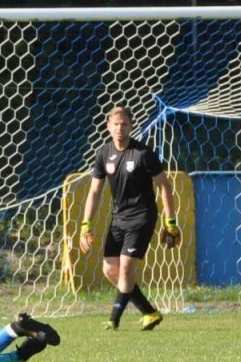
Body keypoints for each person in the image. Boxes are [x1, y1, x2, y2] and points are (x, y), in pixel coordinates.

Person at [77, 104, 180, 331]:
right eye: (116, 124)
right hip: (119, 218)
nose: (120, 128)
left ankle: (114, 319)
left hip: (142, 216)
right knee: (109, 270)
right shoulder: (103, 154)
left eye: (124, 124)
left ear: (131, 126)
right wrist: (85, 225)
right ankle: (150, 313)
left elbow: (164, 186)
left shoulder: (143, 154)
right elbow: (94, 192)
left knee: (125, 267)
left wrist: (170, 221)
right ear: (108, 126)